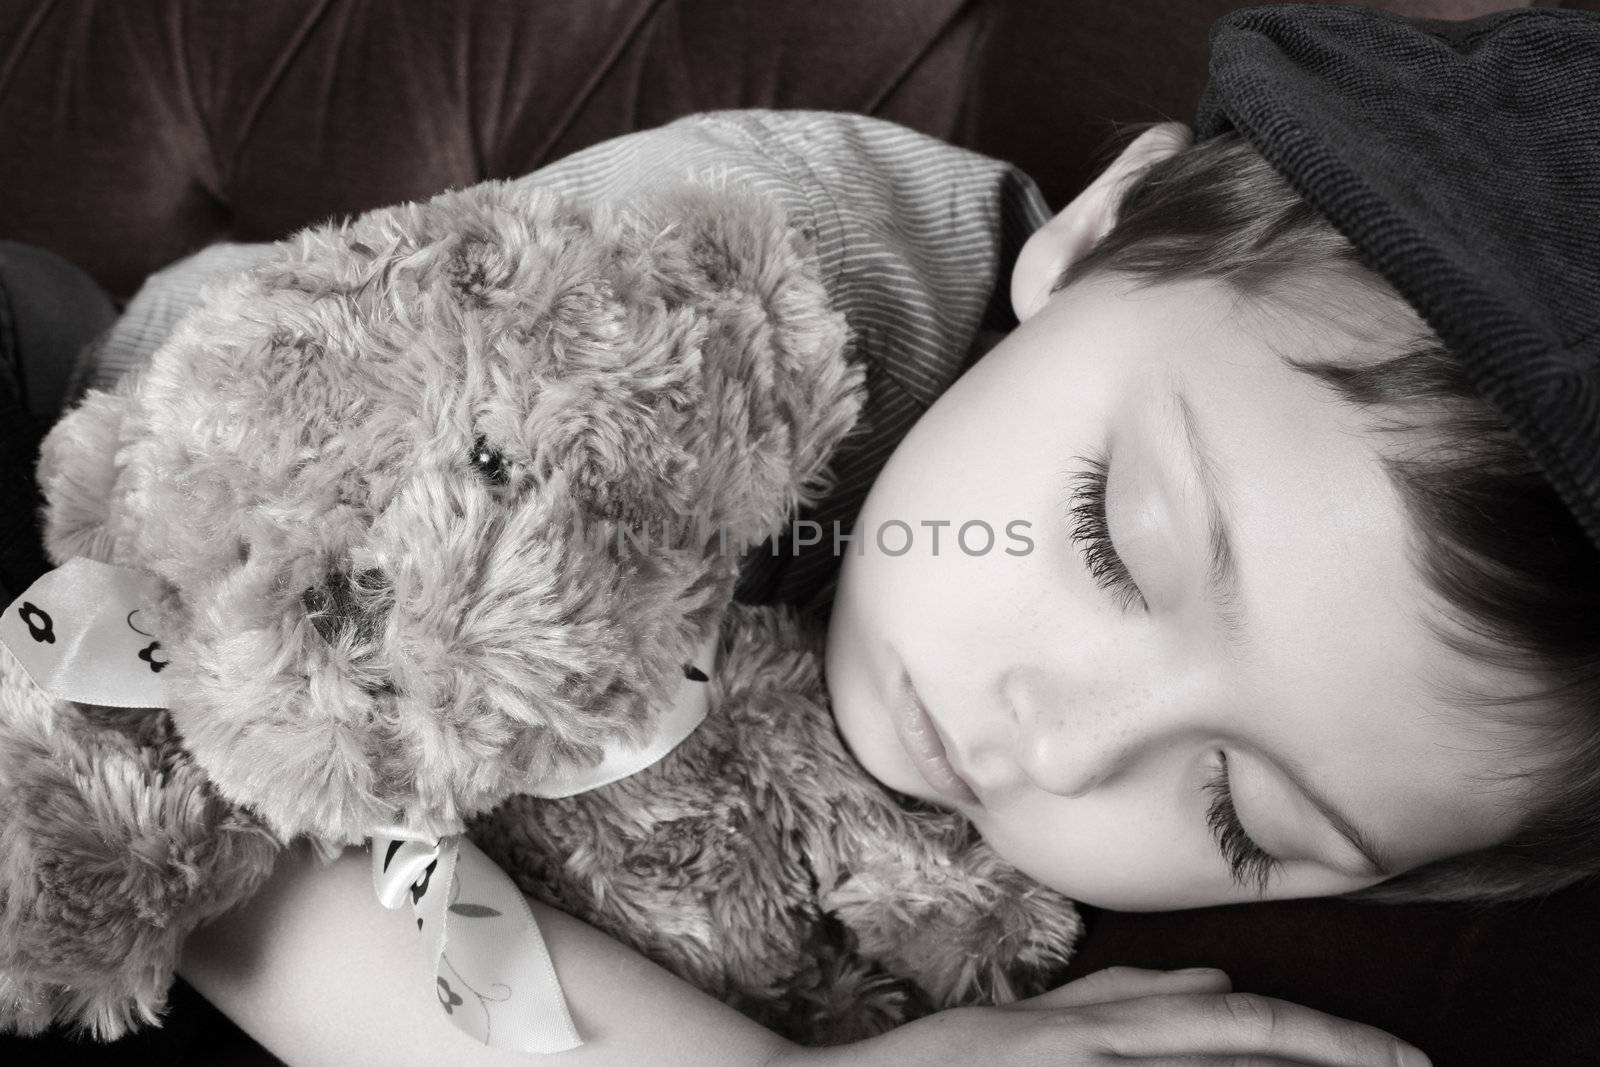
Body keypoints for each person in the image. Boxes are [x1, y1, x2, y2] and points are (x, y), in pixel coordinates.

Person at [14, 4, 1597, 1061]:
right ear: (1100, 237)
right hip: (142, 493)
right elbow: (198, 779)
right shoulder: (716, 287)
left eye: (1238, 813)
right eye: (1111, 539)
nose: (1054, 750)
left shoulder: (1040, 777)